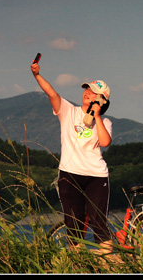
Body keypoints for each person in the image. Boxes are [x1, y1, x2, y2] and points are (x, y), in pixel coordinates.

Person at [31, 57, 114, 252]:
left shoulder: (106, 122)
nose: (87, 92)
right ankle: (76, 265)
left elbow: (104, 142)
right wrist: (37, 74)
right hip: (70, 175)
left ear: (102, 100)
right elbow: (51, 92)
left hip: (96, 177)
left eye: (94, 92)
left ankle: (110, 265)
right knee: (74, 225)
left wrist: (97, 115)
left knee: (98, 223)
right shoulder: (68, 111)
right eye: (87, 89)